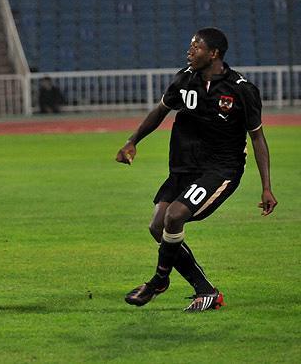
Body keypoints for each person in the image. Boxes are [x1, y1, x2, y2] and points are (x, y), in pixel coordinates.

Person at [116, 27, 277, 312]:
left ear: (213, 53)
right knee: (157, 225)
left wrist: (266, 187)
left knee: (174, 216)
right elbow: (160, 111)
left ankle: (158, 281)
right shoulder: (184, 79)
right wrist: (132, 141)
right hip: (184, 167)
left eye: (196, 47)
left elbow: (257, 138)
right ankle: (205, 290)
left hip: (220, 170)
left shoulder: (241, 89)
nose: (189, 51)